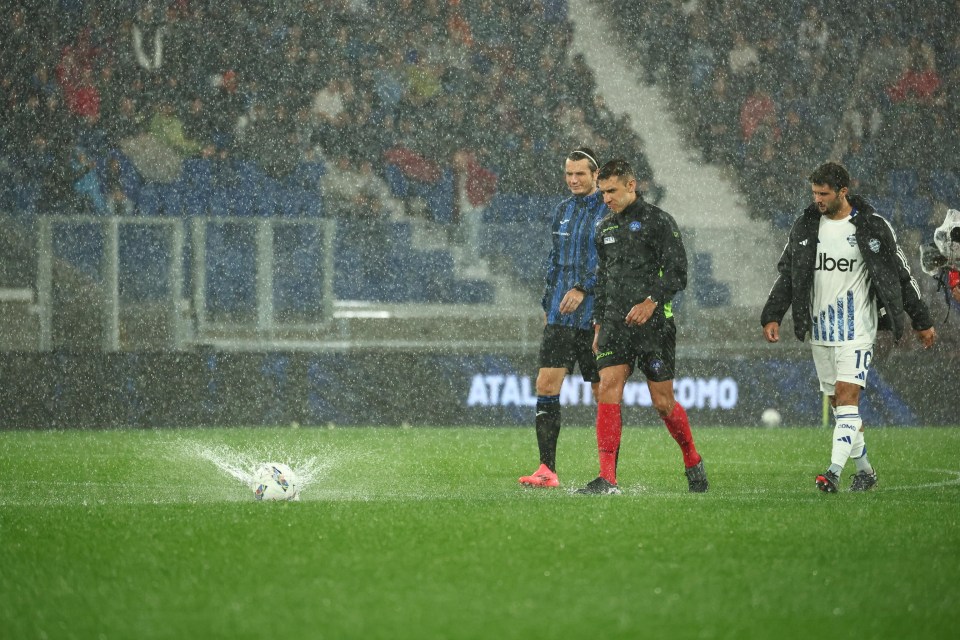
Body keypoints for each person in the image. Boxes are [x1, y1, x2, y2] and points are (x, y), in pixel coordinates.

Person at [761, 162, 936, 493]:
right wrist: (772, 314)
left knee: (847, 398)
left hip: (857, 329)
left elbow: (900, 275)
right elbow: (789, 275)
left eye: (823, 193)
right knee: (839, 406)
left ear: (843, 191)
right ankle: (866, 471)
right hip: (819, 330)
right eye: (814, 193)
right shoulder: (806, 226)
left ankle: (832, 472)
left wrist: (921, 320)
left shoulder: (871, 227)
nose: (817, 200)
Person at [576, 159, 708, 495]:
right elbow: (603, 280)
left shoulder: (659, 222)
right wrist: (597, 324)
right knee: (608, 387)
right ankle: (607, 479)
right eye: (603, 192)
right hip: (614, 326)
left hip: (654, 327)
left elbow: (678, 274)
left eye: (612, 191)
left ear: (631, 185)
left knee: (662, 402)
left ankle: (692, 458)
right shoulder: (603, 228)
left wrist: (650, 302)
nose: (606, 198)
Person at [518, 147, 607, 489]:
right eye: (569, 174)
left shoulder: (608, 209)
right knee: (545, 385)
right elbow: (554, 261)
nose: (573, 180)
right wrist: (547, 303)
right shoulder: (562, 211)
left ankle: (606, 472)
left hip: (596, 316)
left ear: (595, 175)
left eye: (580, 174)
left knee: (603, 393)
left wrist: (584, 288)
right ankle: (547, 469)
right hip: (559, 315)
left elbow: (613, 261)